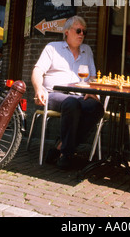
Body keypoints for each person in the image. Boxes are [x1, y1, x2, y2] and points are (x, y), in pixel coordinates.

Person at [31, 15, 104, 170]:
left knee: (97, 108)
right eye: (78, 30)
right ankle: (66, 155)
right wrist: (38, 89)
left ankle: (60, 147)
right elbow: (37, 71)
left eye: (84, 31)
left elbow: (92, 77)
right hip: (54, 94)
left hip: (78, 95)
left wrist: (91, 90)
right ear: (66, 32)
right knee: (71, 104)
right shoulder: (52, 47)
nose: (81, 34)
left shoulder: (87, 50)